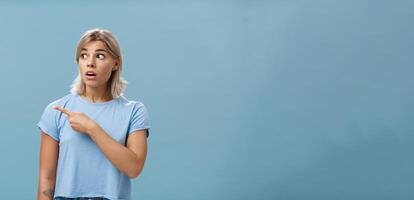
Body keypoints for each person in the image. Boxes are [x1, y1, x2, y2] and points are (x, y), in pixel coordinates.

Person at [36, 28, 151, 200]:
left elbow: (133, 168)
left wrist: (92, 128)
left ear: (116, 63)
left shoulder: (134, 111)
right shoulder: (57, 110)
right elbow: (46, 178)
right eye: (84, 55)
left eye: (100, 56)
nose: (90, 63)